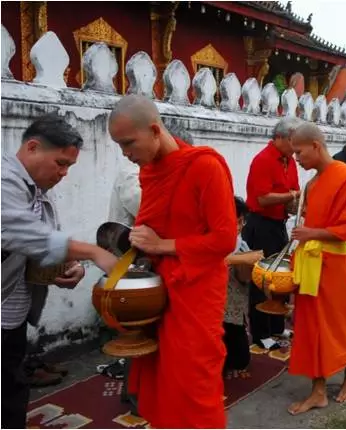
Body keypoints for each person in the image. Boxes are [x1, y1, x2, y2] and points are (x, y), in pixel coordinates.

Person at [109, 95, 238, 429]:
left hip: (196, 291)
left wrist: (161, 244)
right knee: (160, 378)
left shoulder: (204, 166)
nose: (125, 153)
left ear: (154, 130)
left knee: (194, 379)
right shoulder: (151, 171)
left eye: (128, 143)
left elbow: (224, 239)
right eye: (119, 145)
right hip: (158, 292)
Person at [1, 114, 118, 429]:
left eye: (69, 166)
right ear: (33, 147)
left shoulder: (37, 189)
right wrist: (94, 252)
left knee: (11, 388)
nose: (64, 174)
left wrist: (73, 267)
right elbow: (23, 234)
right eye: (60, 163)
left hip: (12, 310)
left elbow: (46, 247)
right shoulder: (4, 180)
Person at [287, 123, 346, 415]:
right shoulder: (313, 183)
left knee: (338, 323)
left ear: (316, 146)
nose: (296, 158)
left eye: (299, 151)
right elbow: (313, 220)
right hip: (310, 262)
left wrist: (313, 233)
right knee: (311, 328)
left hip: (333, 264)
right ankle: (318, 390)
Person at [243, 118, 302, 350]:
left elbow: (293, 193)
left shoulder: (290, 161)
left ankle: (277, 326)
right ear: (280, 138)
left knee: (282, 275)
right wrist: (292, 196)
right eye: (293, 140)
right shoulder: (263, 160)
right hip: (260, 223)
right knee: (262, 278)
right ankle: (260, 333)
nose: (296, 146)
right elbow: (262, 198)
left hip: (279, 223)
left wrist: (297, 202)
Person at [223, 197, 263, 379]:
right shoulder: (209, 240)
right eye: (234, 222)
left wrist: (248, 264)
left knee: (240, 359)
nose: (239, 227)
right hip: (212, 311)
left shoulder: (242, 245)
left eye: (241, 222)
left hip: (234, 313)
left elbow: (244, 278)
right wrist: (239, 259)